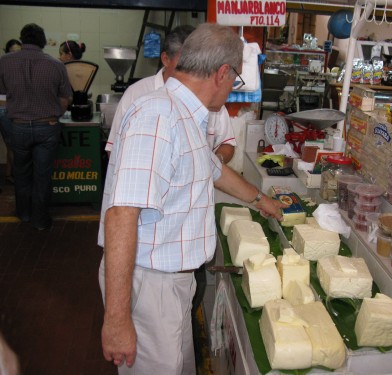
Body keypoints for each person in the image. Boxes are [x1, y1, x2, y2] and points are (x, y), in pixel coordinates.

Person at [97, 23, 285, 375]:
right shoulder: (158, 117)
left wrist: (262, 200)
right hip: (151, 286)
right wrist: (117, 319)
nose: (231, 91)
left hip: (173, 285)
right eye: (235, 81)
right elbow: (121, 215)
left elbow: (213, 169)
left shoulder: (185, 114)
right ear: (222, 73)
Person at [105, 25, 236, 165]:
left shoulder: (212, 98)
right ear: (166, 59)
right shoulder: (136, 95)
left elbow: (227, 143)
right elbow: (113, 149)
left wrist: (214, 164)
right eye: (184, 62)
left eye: (195, 63)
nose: (191, 69)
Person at [0, 23, 73, 230]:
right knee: (42, 175)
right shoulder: (56, 65)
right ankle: (40, 220)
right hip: (47, 127)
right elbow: (65, 98)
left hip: (18, 127)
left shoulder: (4, 62)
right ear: (42, 41)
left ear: (22, 40)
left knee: (21, 173)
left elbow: (3, 91)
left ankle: (23, 214)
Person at [2, 39, 22, 185]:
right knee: (14, 146)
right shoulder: (9, 67)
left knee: (11, 146)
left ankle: (9, 174)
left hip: (9, 109)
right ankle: (16, 176)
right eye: (13, 51)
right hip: (5, 109)